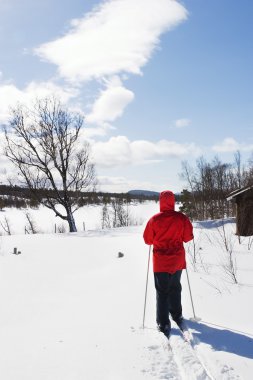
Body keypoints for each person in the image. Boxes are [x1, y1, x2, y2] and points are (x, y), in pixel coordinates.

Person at [143, 190, 193, 338]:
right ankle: (176, 314)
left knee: (162, 291)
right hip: (177, 260)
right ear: (173, 201)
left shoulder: (154, 220)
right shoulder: (181, 218)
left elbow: (147, 240)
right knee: (175, 286)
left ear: (161, 201)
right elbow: (188, 237)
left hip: (161, 262)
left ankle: (163, 322)